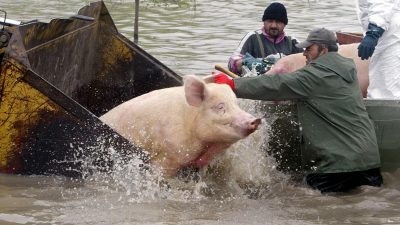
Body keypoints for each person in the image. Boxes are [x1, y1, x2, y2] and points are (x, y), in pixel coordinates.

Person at [215, 28, 383, 193]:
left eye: (309, 49)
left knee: (302, 199)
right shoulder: (349, 70)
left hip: (337, 169)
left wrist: (231, 84)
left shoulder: (313, 76)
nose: (304, 54)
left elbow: (274, 84)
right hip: (370, 164)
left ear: (323, 50)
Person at [228, 2, 303, 76]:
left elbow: (310, 62)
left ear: (284, 24)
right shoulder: (252, 37)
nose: (273, 25)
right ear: (264, 22)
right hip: (257, 84)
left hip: (285, 84)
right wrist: (245, 63)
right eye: (270, 21)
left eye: (278, 22)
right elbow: (231, 63)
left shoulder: (293, 42)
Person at [356, 0, 400, 98]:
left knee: (386, 87)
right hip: (385, 33)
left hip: (389, 35)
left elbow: (382, 4)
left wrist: (373, 31)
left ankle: (387, 112)